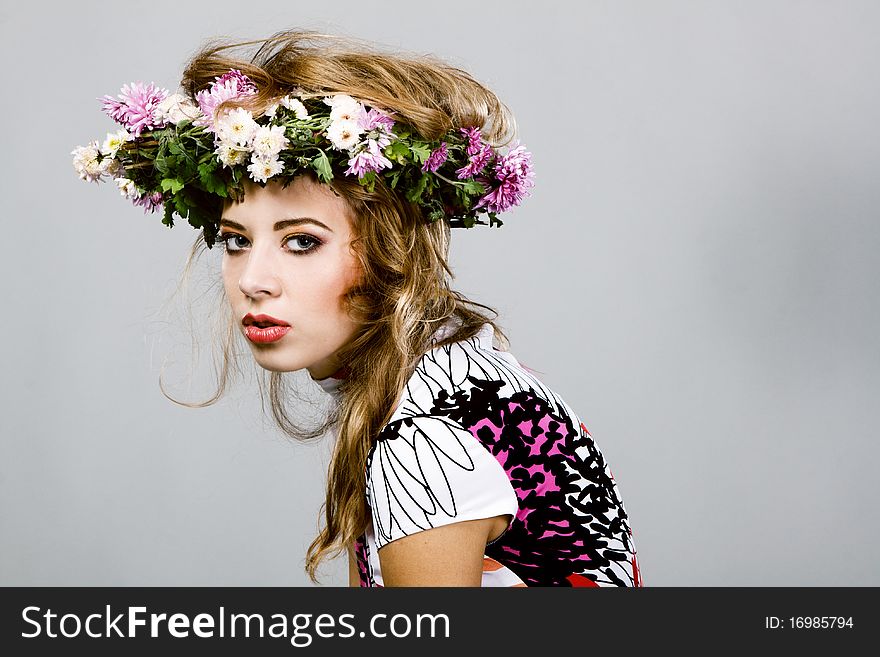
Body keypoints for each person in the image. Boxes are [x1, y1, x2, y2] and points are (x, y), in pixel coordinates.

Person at [72, 29, 642, 587]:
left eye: (302, 241)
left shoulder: (424, 442)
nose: (252, 280)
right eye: (237, 240)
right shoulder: (451, 375)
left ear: (388, 253)